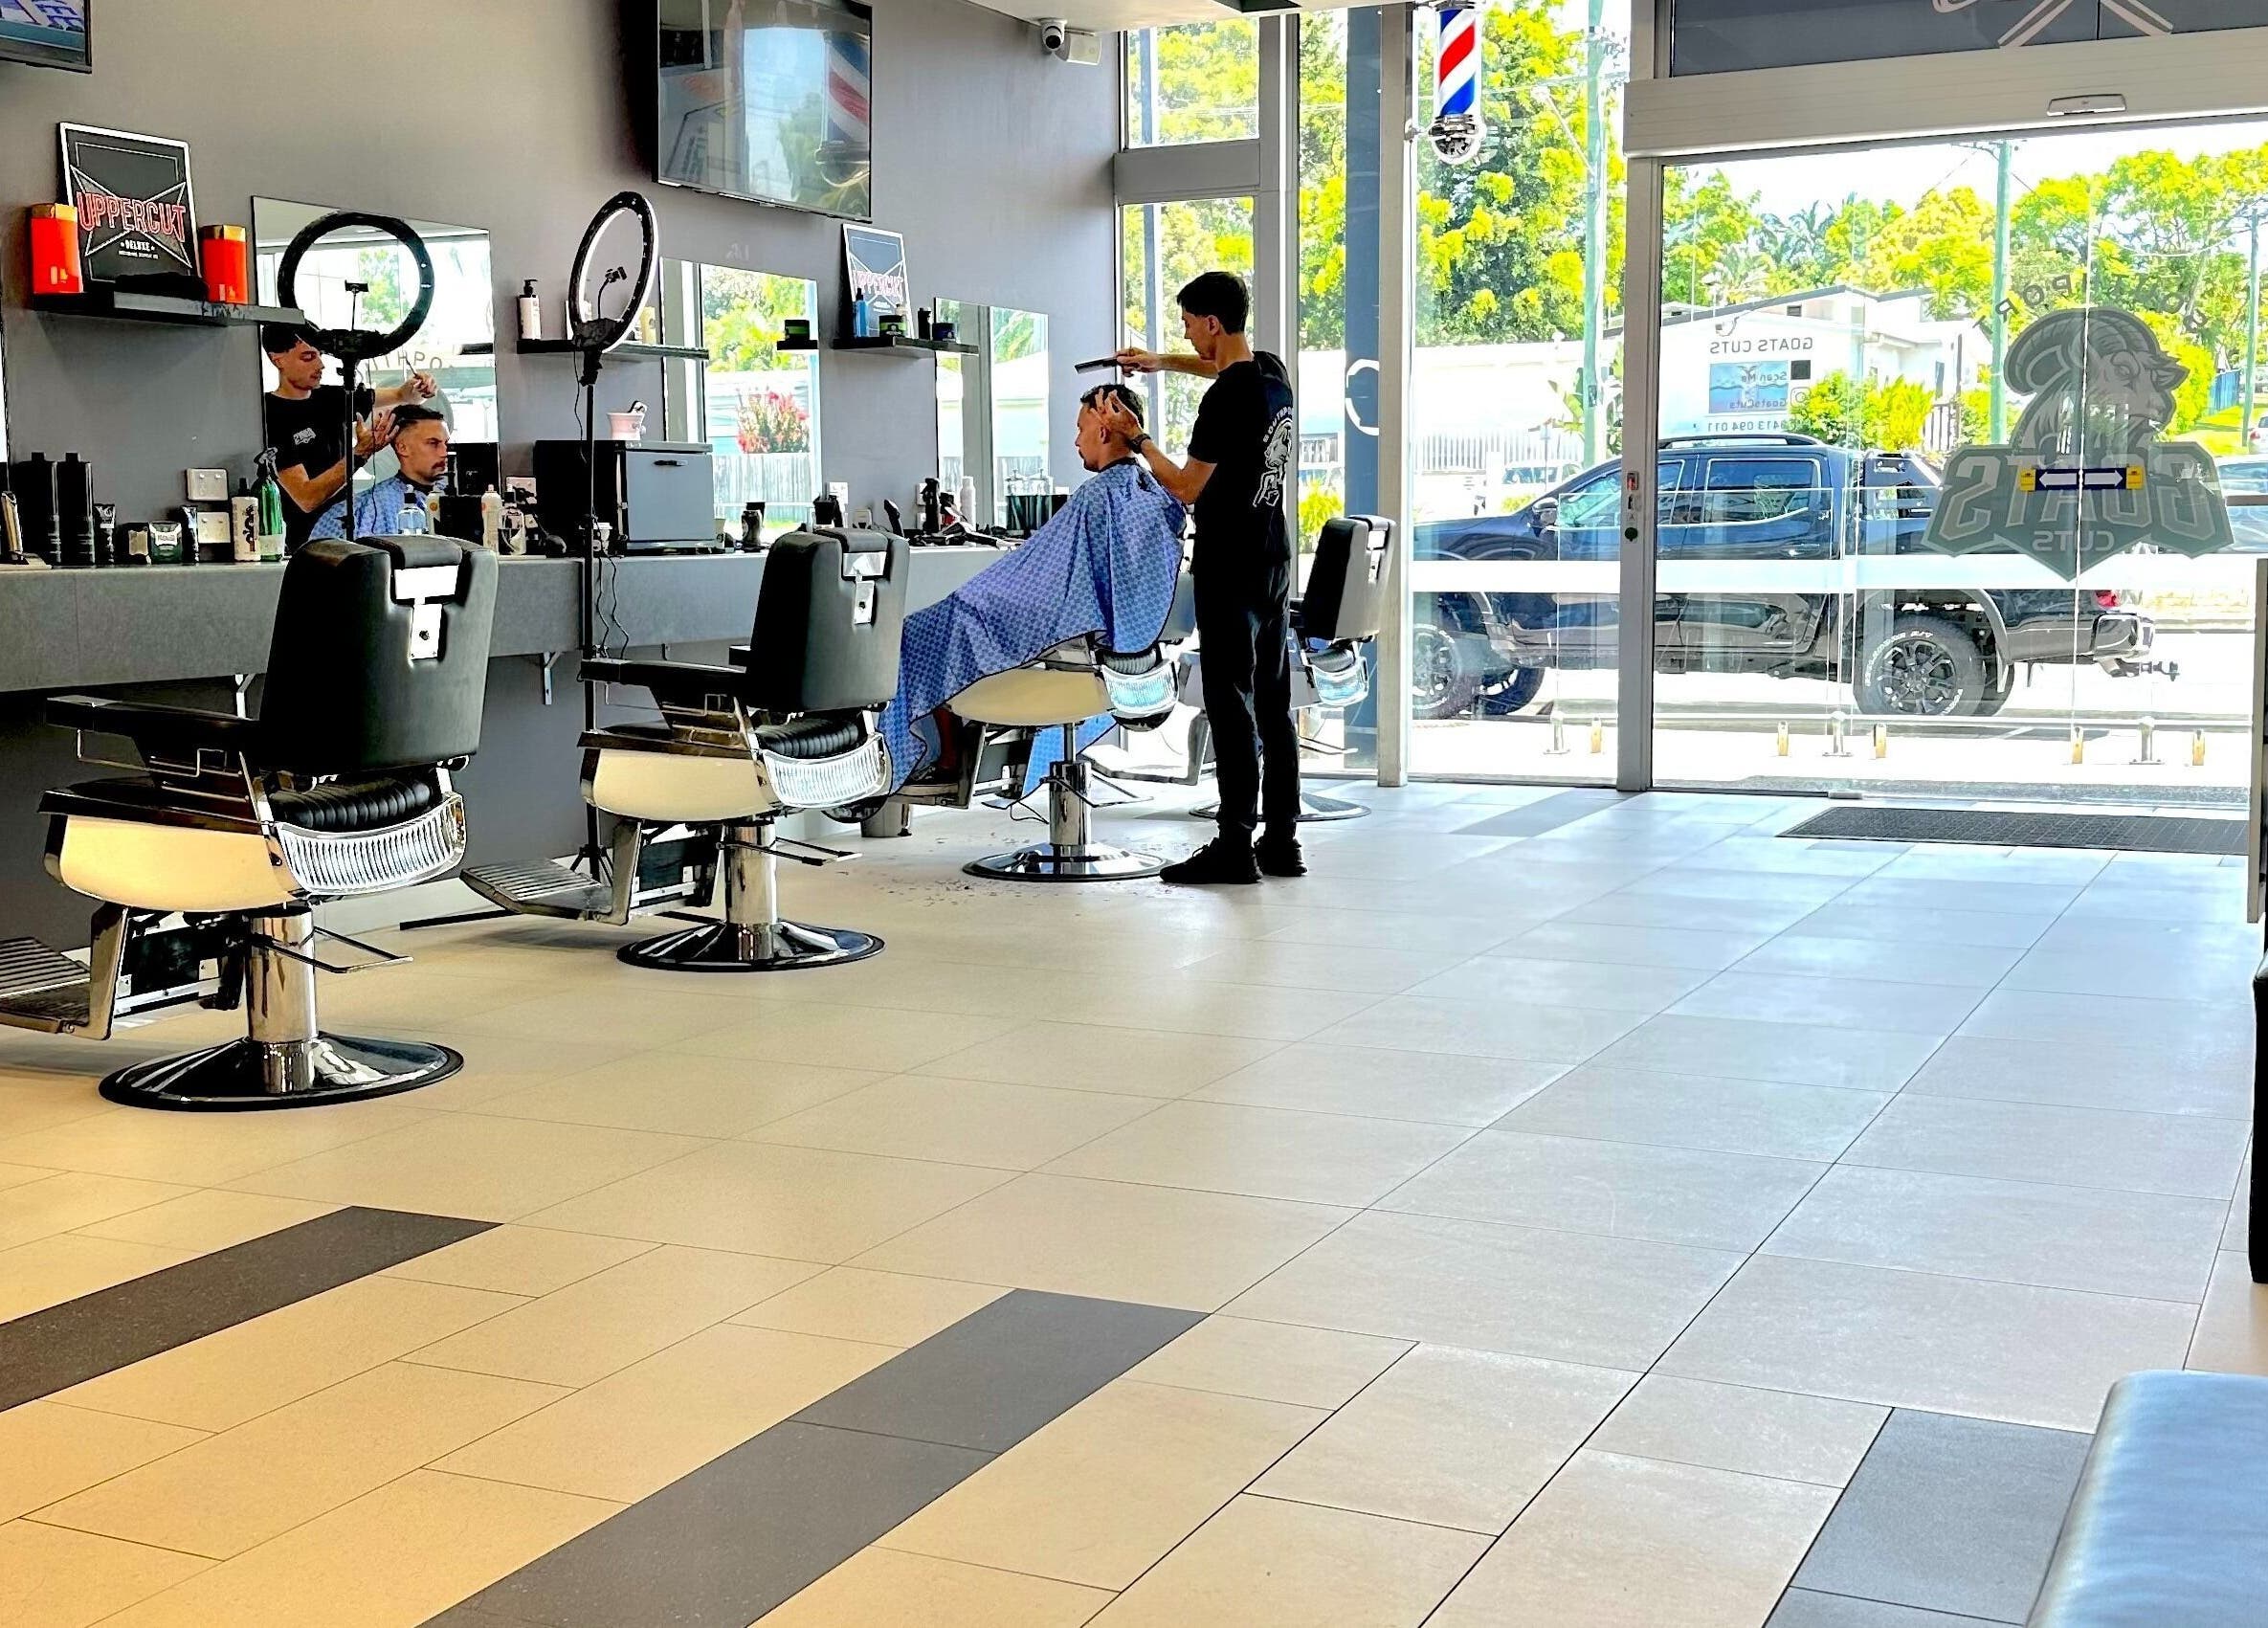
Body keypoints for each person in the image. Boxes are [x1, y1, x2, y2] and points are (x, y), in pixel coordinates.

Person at [877, 383, 1186, 795]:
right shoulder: (1155, 494)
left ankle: (921, 757)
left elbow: (1041, 588)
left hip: (1073, 657)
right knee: (954, 620)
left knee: (922, 633)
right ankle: (946, 755)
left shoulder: (1097, 497)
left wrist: (975, 600)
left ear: (1105, 432)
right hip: (1128, 658)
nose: (1076, 440)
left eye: (1080, 428)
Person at [1111, 271, 1301, 884]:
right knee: (1274, 705)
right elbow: (1221, 368)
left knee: (1230, 702)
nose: (1188, 336)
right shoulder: (1272, 375)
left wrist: (1136, 437)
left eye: (1191, 325)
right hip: (1273, 559)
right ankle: (1282, 841)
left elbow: (1190, 487)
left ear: (1212, 324)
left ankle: (1234, 845)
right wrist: (1159, 362)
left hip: (1229, 566)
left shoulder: (1224, 400)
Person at [260, 324, 436, 552]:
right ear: (278, 360)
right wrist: (359, 455)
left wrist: (419, 389)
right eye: (308, 357)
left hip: (347, 536)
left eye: (320, 355)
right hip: (305, 547)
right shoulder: (270, 415)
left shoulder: (334, 398)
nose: (320, 365)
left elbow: (402, 395)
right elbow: (306, 497)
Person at [308, 406, 451, 541]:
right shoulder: (364, 509)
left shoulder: (461, 496)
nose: (445, 452)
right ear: (402, 448)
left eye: (446, 443)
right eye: (433, 443)